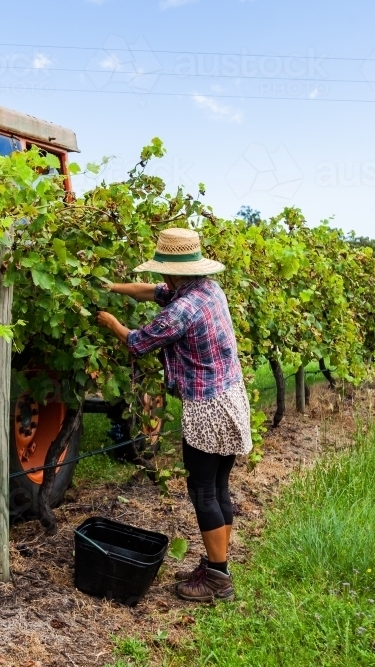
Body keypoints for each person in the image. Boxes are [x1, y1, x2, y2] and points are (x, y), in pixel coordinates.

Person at [96, 227, 252, 602]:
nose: (158, 278)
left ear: (169, 268)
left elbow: (137, 342)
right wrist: (114, 287)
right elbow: (153, 292)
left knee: (202, 492)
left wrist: (111, 323)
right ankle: (219, 565)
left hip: (208, 409)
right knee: (217, 488)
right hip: (230, 398)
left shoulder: (181, 311)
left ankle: (218, 580)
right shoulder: (206, 289)